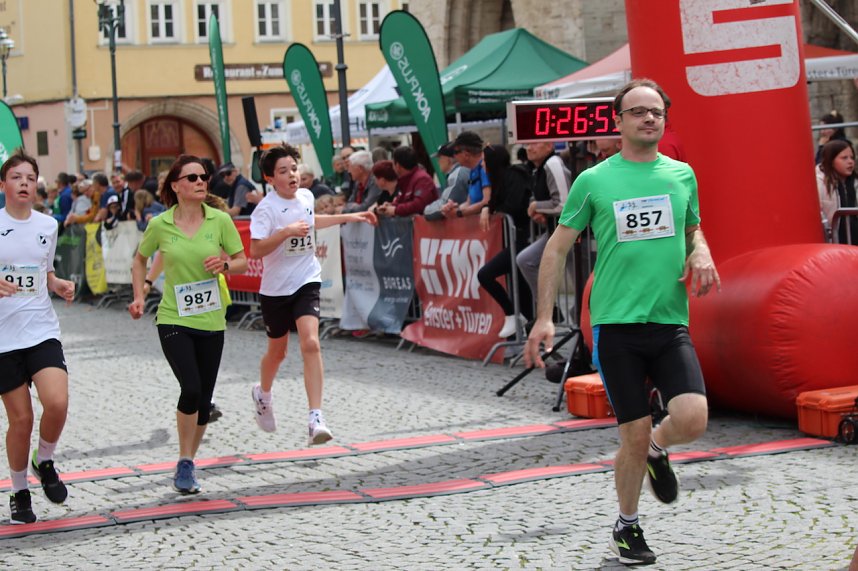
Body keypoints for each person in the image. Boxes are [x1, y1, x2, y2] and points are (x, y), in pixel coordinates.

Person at [524, 78, 720, 566]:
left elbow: (693, 229)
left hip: (670, 320)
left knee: (693, 418)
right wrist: (544, 317)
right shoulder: (595, 180)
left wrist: (702, 252)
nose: (648, 118)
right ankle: (627, 526)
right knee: (629, 435)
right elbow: (556, 248)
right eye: (638, 112)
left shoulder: (681, 175)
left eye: (656, 111)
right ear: (619, 121)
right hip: (615, 326)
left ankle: (660, 446)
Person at [128, 155, 247, 494]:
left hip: (211, 319)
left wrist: (225, 263)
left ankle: (188, 462)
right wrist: (140, 294)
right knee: (191, 388)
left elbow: (242, 261)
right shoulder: (160, 224)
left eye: (203, 176)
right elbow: (140, 260)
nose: (200, 181)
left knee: (205, 397)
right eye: (192, 177)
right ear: (176, 186)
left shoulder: (220, 220)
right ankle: (183, 458)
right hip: (173, 317)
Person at [248, 144, 376, 443]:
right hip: (276, 290)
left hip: (307, 280)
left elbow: (312, 221)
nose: (292, 175)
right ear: (270, 178)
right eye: (283, 171)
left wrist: (352, 217)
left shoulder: (306, 196)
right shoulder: (265, 210)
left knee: (311, 343)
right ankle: (262, 393)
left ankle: (315, 416)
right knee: (277, 353)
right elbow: (255, 250)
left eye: (294, 168)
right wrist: (284, 233)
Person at [0, 150, 76, 524]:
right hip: (2, 339)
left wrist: (57, 283)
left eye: (30, 177)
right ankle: (18, 491)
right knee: (21, 420)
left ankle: (44, 459)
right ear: (3, 185)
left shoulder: (48, 225)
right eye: (16, 177)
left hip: (41, 330)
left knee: (57, 402)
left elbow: (44, 273)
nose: (24, 183)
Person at [476, 145, 533, 337]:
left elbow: (514, 204)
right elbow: (496, 202)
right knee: (519, 286)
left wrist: (492, 209)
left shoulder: (513, 175)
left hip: (526, 238)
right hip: (516, 239)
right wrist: (488, 207)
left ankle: (512, 315)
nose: (482, 164)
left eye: (484, 160)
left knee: (485, 274)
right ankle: (524, 321)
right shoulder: (501, 180)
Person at [515, 141, 573, 302]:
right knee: (525, 260)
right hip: (555, 232)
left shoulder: (553, 163)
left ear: (549, 146)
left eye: (534, 143)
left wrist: (536, 206)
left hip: (575, 234)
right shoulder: (538, 169)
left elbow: (563, 204)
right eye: (527, 144)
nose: (529, 148)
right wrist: (539, 211)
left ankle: (580, 319)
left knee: (583, 283)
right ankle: (548, 312)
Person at [375, 146, 438, 218]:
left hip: (425, 227)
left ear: (397, 165)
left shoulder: (422, 179)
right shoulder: (405, 180)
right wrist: (391, 206)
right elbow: (402, 200)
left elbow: (419, 204)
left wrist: (395, 210)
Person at [440, 131, 491, 219]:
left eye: (455, 152)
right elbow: (469, 202)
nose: (454, 156)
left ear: (466, 154)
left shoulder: (484, 168)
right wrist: (452, 208)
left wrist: (459, 213)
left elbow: (487, 201)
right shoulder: (472, 170)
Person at [816, 140, 856, 243]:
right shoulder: (820, 183)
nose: (850, 161)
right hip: (834, 243)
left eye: (852, 157)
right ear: (831, 160)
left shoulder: (854, 182)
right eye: (844, 158)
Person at [423, 141, 470, 221]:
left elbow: (444, 204)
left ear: (448, 160)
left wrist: (427, 210)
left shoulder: (457, 174)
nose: (438, 162)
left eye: (440, 158)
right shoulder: (462, 171)